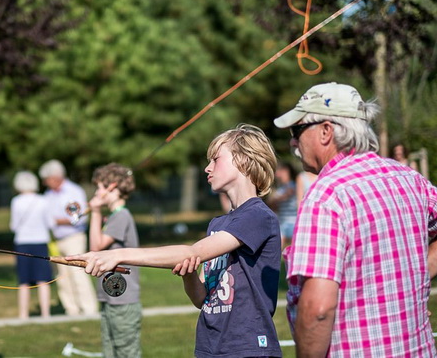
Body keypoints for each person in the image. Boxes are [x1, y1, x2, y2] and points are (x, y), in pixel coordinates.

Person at [69, 124, 282, 358]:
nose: (207, 168)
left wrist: (116, 255)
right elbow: (201, 298)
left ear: (243, 159)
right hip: (210, 345)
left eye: (215, 159)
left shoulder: (258, 216)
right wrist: (188, 273)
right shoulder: (218, 225)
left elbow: (192, 252)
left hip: (248, 347)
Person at [273, 82, 437, 357]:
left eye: (297, 130)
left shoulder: (325, 197)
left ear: (326, 131)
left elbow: (318, 311)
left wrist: (421, 270)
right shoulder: (410, 179)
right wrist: (420, 272)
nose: (292, 141)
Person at [88, 163, 141, 358]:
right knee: (110, 351)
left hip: (122, 299)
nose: (96, 192)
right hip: (111, 296)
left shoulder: (122, 216)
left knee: (126, 352)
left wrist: (94, 211)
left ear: (112, 188)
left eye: (100, 187)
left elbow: (96, 246)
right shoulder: (114, 217)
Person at [39, 159, 98, 316]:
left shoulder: (73, 191)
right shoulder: (48, 195)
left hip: (74, 237)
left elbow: (80, 217)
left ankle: (88, 309)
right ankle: (71, 309)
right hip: (56, 239)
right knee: (62, 277)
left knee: (78, 274)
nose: (45, 183)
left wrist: (57, 220)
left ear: (56, 177)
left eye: (47, 179)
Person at [10, 170, 54, 319]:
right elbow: (51, 223)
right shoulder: (43, 200)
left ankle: (23, 314)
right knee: (43, 280)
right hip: (40, 241)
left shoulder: (16, 201)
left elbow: (14, 226)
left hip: (22, 243)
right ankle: (46, 313)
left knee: (24, 281)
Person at [267, 161, 298, 249]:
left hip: (294, 222)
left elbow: (290, 193)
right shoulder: (280, 190)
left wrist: (279, 198)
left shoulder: (295, 185)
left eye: (281, 172)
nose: (278, 175)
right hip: (283, 224)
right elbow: (271, 204)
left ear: (287, 171)